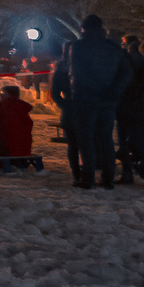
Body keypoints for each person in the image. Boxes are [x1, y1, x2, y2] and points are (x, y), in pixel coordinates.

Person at [58, 14, 135, 188]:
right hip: (108, 100)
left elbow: (78, 74)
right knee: (106, 139)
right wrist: (113, 91)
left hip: (85, 99)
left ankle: (88, 179)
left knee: (86, 140)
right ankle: (108, 179)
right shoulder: (113, 47)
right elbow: (126, 73)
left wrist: (86, 92)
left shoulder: (79, 46)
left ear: (84, 29)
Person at [117, 34, 144, 183]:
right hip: (137, 105)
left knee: (129, 139)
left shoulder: (132, 59)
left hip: (131, 105)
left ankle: (130, 171)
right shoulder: (140, 60)